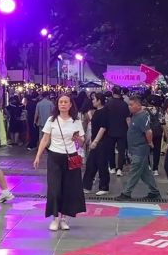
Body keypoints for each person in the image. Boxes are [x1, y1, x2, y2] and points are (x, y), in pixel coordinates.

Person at [33, 94, 87, 231]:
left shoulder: (76, 121)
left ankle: (63, 218)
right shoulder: (51, 120)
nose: (63, 104)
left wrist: (78, 139)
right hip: (54, 157)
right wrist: (38, 156)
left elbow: (82, 142)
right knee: (54, 189)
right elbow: (45, 139)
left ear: (70, 105)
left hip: (70, 157)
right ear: (57, 105)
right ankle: (55, 218)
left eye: (65, 102)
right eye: (60, 102)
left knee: (68, 189)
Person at [118, 96, 159, 201]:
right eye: (129, 105)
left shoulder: (142, 116)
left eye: (131, 105)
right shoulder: (135, 115)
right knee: (145, 173)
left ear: (138, 105)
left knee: (134, 171)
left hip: (140, 149)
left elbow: (148, 131)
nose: (129, 107)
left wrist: (149, 142)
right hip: (135, 149)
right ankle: (154, 192)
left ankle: (126, 193)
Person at [82, 93, 110, 195]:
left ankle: (104, 187)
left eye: (94, 99)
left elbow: (103, 128)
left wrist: (95, 141)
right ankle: (86, 186)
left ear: (99, 101)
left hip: (102, 142)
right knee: (91, 163)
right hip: (95, 140)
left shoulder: (104, 112)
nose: (92, 101)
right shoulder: (97, 111)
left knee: (102, 164)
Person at [104, 87, 130, 176]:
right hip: (122, 130)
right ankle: (119, 169)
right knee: (121, 151)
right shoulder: (124, 104)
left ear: (112, 92)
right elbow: (128, 119)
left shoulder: (108, 104)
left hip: (110, 130)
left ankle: (112, 167)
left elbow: (105, 117)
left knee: (110, 150)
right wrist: (130, 130)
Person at [147, 96, 164, 176]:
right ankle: (155, 169)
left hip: (148, 132)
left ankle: (148, 166)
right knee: (156, 151)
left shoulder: (145, 111)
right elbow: (162, 122)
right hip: (158, 133)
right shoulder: (160, 110)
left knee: (146, 150)